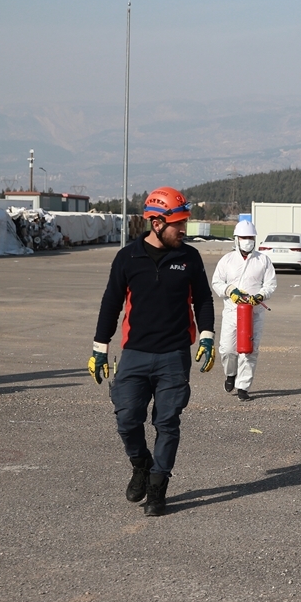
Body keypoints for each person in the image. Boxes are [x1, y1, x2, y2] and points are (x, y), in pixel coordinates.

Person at [88, 186, 216, 517]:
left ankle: (158, 486)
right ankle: (141, 463)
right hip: (134, 353)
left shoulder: (189, 258)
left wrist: (206, 335)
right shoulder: (128, 257)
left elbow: (202, 299)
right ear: (157, 223)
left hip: (174, 356)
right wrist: (99, 349)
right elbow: (111, 303)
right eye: (179, 223)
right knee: (127, 418)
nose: (184, 230)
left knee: (167, 421)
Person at [211, 220, 277, 401]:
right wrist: (229, 291)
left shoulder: (263, 260)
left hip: (254, 313)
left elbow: (270, 284)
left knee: (250, 350)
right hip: (233, 312)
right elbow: (217, 281)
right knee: (227, 349)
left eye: (251, 237)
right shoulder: (227, 260)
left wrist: (261, 295)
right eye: (244, 237)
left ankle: (243, 387)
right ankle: (230, 373)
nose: (248, 240)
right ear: (237, 239)